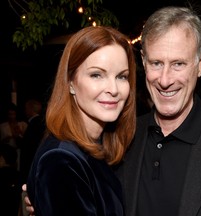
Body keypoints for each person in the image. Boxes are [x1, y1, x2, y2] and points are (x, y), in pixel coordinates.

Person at [24, 6, 201, 216]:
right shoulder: (121, 137)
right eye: (156, 63)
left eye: (178, 64)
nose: (165, 80)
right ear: (143, 62)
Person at [25, 25, 136, 216]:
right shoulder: (61, 161)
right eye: (96, 75)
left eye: (121, 76)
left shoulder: (94, 148)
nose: (113, 89)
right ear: (70, 82)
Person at [19, 99, 46, 184]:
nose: (25, 111)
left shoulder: (34, 124)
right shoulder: (41, 122)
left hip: (30, 164)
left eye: (26, 108)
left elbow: (29, 146)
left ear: (30, 109)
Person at [0, 103, 27, 170]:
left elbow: (29, 138)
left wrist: (20, 132)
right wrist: (5, 139)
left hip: (20, 151)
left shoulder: (22, 124)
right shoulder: (2, 126)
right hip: (7, 152)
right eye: (10, 114)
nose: (12, 116)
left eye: (13, 114)